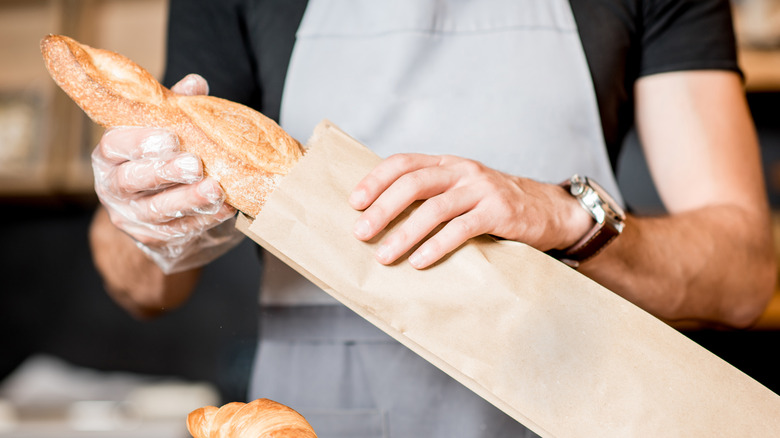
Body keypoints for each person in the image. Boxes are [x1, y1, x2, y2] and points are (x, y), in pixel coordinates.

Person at [88, 0, 776, 436]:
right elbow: (144, 289)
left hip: (578, 404)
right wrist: (147, 220)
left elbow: (745, 278)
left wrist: (569, 215)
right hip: (315, 420)